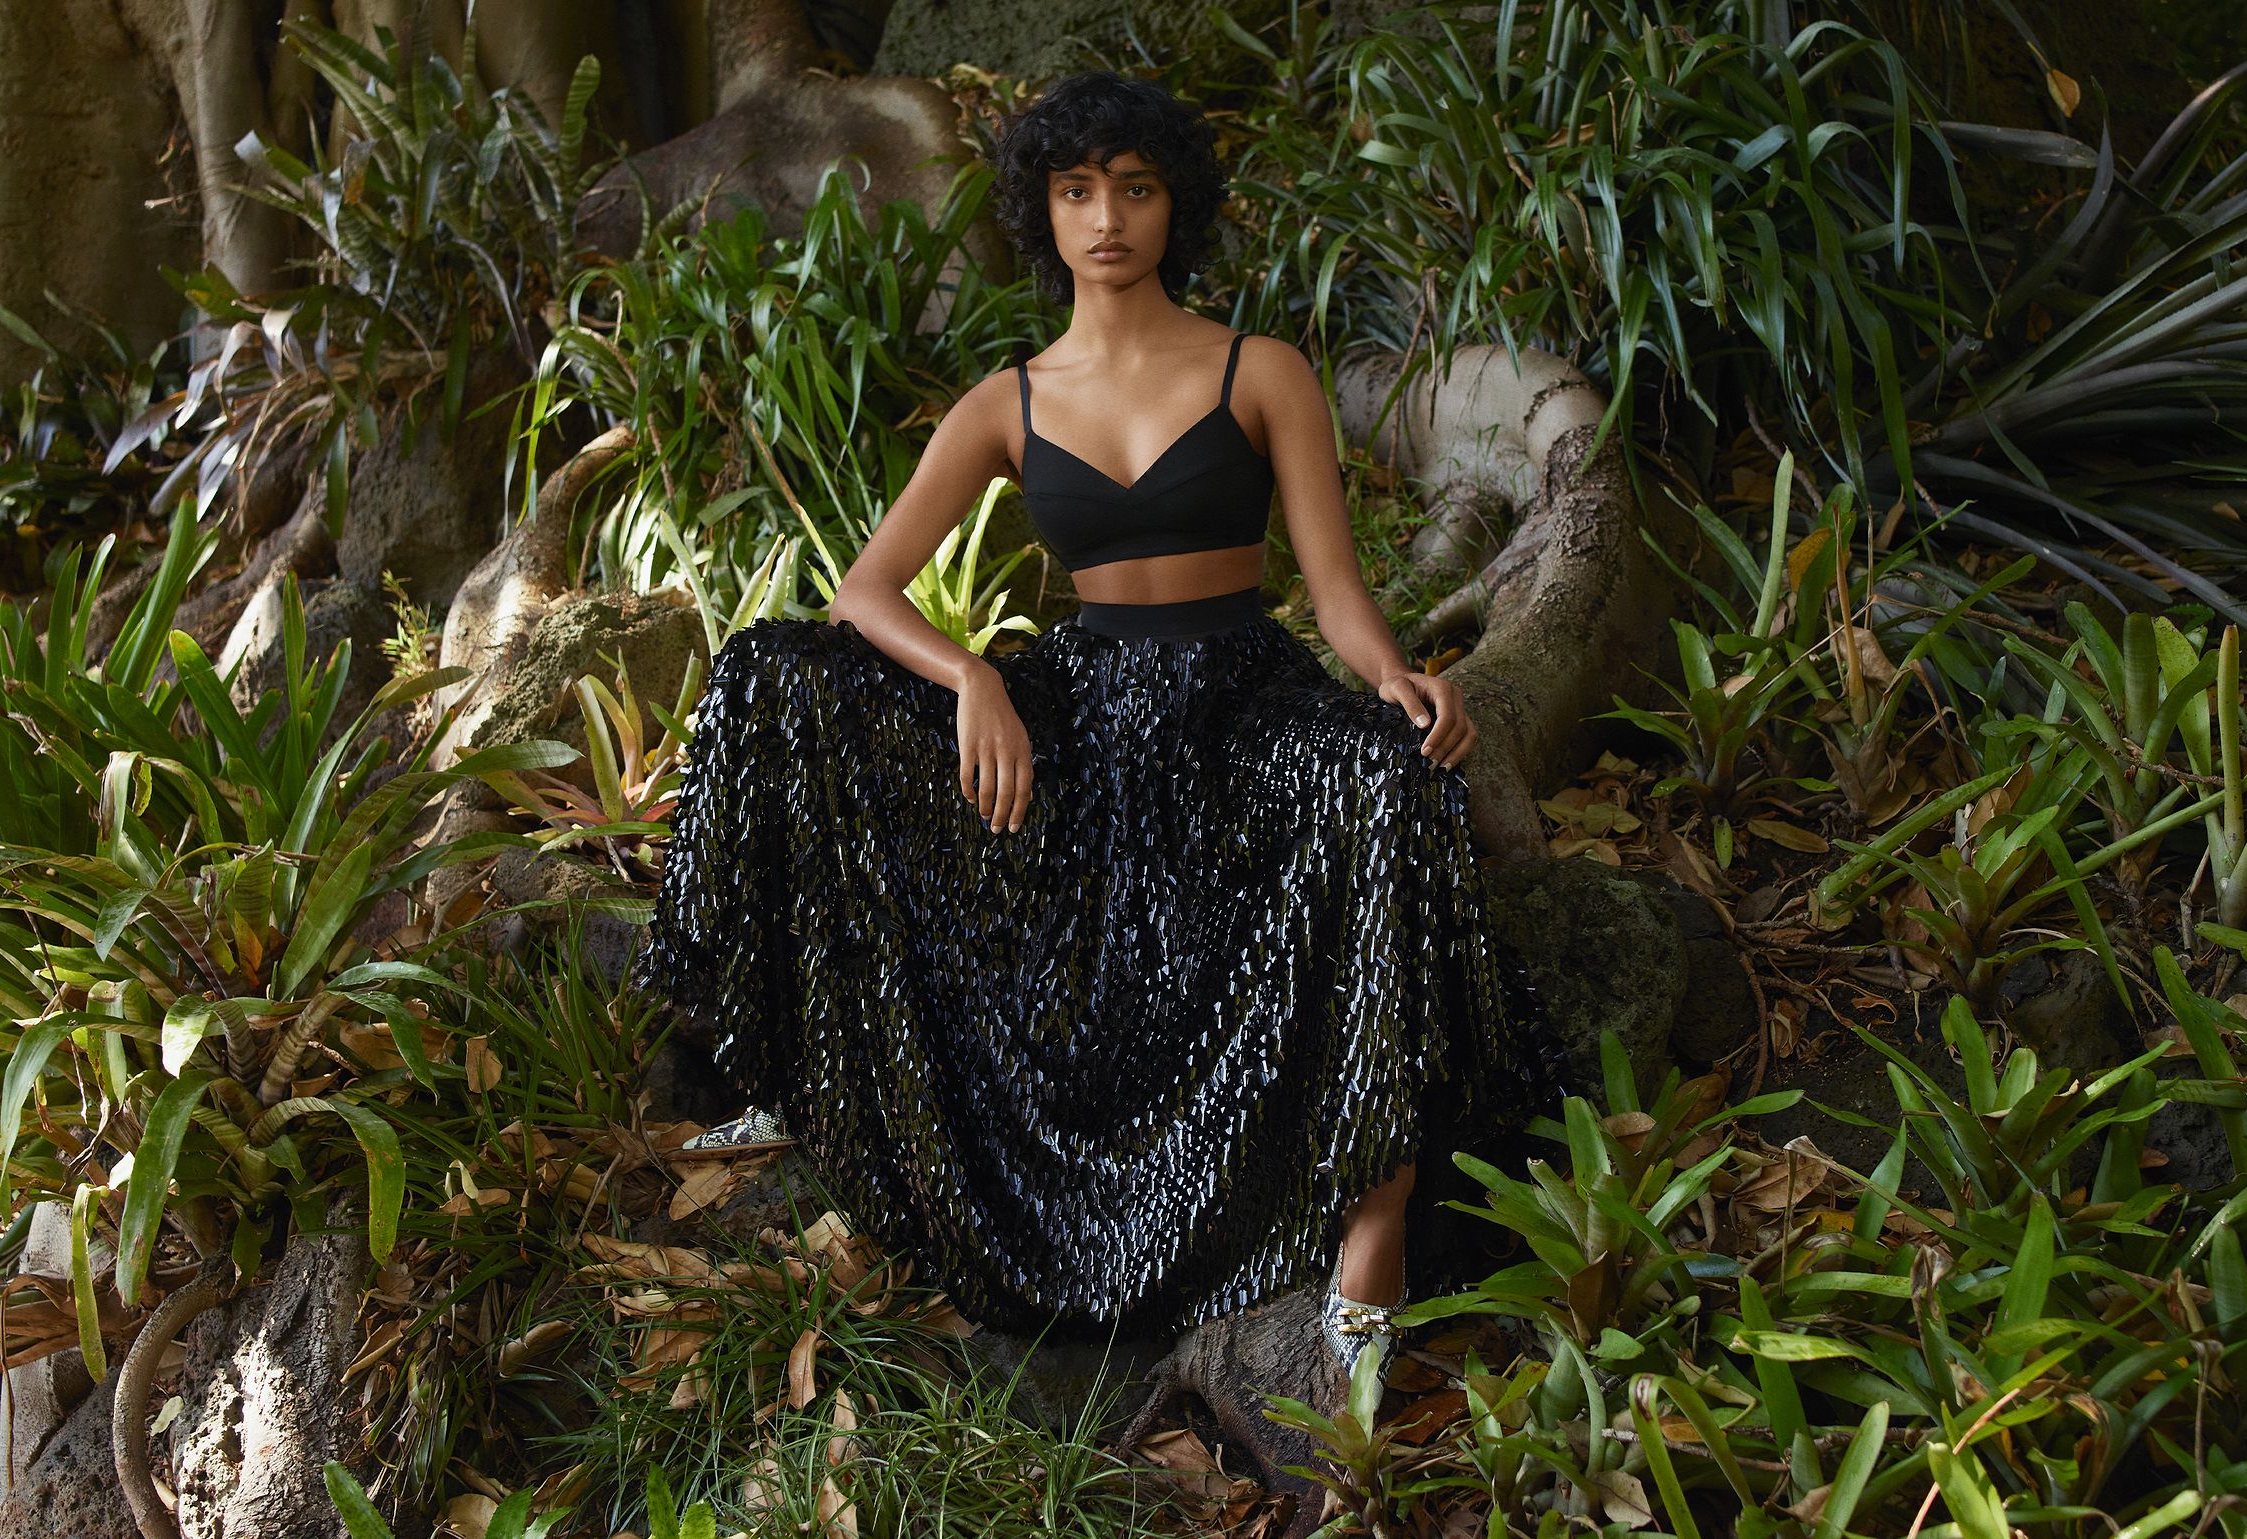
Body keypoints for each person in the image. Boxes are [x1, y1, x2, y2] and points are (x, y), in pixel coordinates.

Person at [633, 70, 1558, 1389]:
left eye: (1134, 187)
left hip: (1237, 698)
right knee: (773, 672)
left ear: (1176, 205)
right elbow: (864, 594)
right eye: (1076, 191)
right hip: (1076, 710)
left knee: (1388, 769)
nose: (1107, 218)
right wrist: (971, 678)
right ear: (1044, 212)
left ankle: (1375, 1231)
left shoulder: (1259, 370)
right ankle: (795, 1060)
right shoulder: (1006, 401)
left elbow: (1337, 595)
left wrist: (1402, 677)